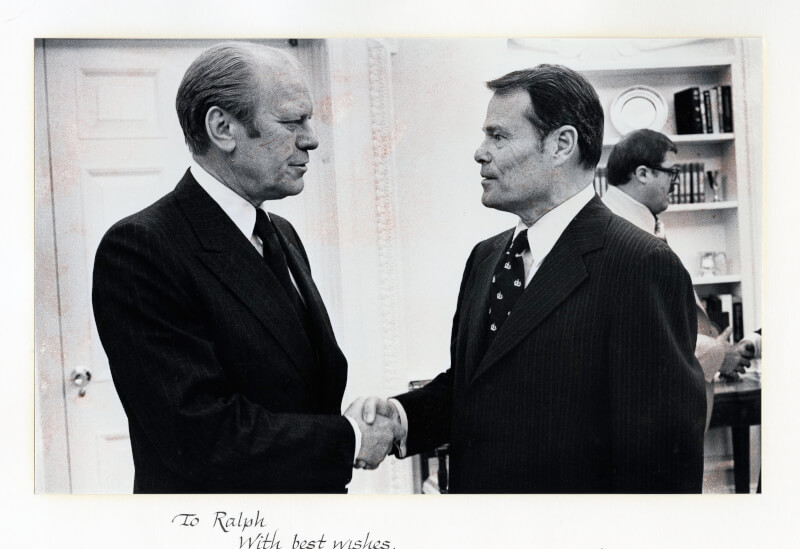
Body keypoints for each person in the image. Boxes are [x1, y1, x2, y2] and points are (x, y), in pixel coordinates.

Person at [353, 65, 707, 493]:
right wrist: (400, 419)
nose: (480, 153)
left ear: (561, 145)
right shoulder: (485, 258)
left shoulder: (642, 264)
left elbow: (662, 462)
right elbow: (480, 388)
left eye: (498, 136)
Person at [92, 42, 399, 493]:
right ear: (222, 128)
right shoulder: (141, 248)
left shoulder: (281, 234)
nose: (312, 138)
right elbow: (199, 434)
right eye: (293, 120)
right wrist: (349, 438)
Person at [603, 129, 751, 431]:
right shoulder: (613, 233)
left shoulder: (641, 223)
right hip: (644, 413)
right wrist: (717, 353)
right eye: (672, 173)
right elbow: (639, 336)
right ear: (642, 173)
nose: (675, 183)